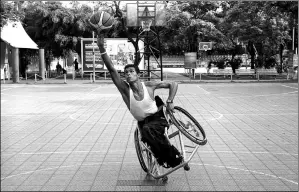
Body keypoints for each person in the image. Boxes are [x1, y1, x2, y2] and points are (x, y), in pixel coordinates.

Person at [96, 32, 184, 169]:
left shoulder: (149, 85)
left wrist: (170, 100)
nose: (129, 74)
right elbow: (112, 70)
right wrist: (101, 47)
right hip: (143, 123)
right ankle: (165, 158)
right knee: (148, 132)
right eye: (126, 73)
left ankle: (173, 157)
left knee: (151, 131)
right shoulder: (125, 90)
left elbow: (174, 84)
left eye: (131, 71)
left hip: (158, 117)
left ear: (138, 74)